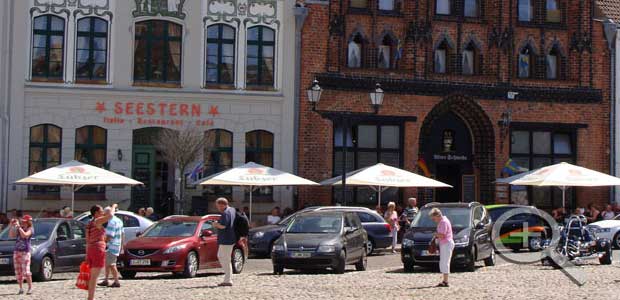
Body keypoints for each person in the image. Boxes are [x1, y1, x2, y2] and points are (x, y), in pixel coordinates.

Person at [86, 204, 116, 300]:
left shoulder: (89, 223)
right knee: (95, 275)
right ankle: (91, 298)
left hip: (91, 248)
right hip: (97, 248)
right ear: (96, 213)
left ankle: (90, 297)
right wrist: (114, 206)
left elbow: (87, 239)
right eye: (101, 211)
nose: (103, 213)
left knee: (92, 275)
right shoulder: (97, 221)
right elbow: (110, 216)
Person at [212, 198, 236, 287]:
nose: (217, 208)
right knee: (225, 258)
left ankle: (228, 279)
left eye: (218, 206)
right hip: (231, 238)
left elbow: (223, 226)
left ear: (222, 205)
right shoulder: (232, 210)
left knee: (223, 257)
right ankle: (228, 278)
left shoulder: (225, 213)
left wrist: (215, 224)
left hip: (226, 239)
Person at [98, 206, 123, 288]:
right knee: (108, 264)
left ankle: (116, 281)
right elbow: (122, 233)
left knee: (112, 264)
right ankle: (106, 279)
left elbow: (109, 235)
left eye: (104, 214)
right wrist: (122, 246)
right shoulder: (119, 220)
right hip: (117, 245)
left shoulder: (111, 222)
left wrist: (104, 243)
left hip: (111, 246)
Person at [9, 215, 34, 295]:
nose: (22, 222)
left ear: (28, 222)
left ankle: (30, 288)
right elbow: (11, 235)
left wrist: (19, 227)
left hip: (25, 252)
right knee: (18, 271)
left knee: (26, 271)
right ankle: (21, 288)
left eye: (24, 221)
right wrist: (11, 225)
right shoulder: (20, 228)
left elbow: (25, 235)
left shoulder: (31, 229)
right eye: (22, 221)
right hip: (17, 251)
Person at [430, 208, 454, 287]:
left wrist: (435, 234)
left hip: (446, 243)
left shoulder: (443, 222)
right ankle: (444, 280)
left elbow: (442, 235)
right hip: (445, 243)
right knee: (443, 261)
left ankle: (446, 281)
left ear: (437, 216)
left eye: (434, 218)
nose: (434, 220)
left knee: (445, 262)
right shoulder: (443, 221)